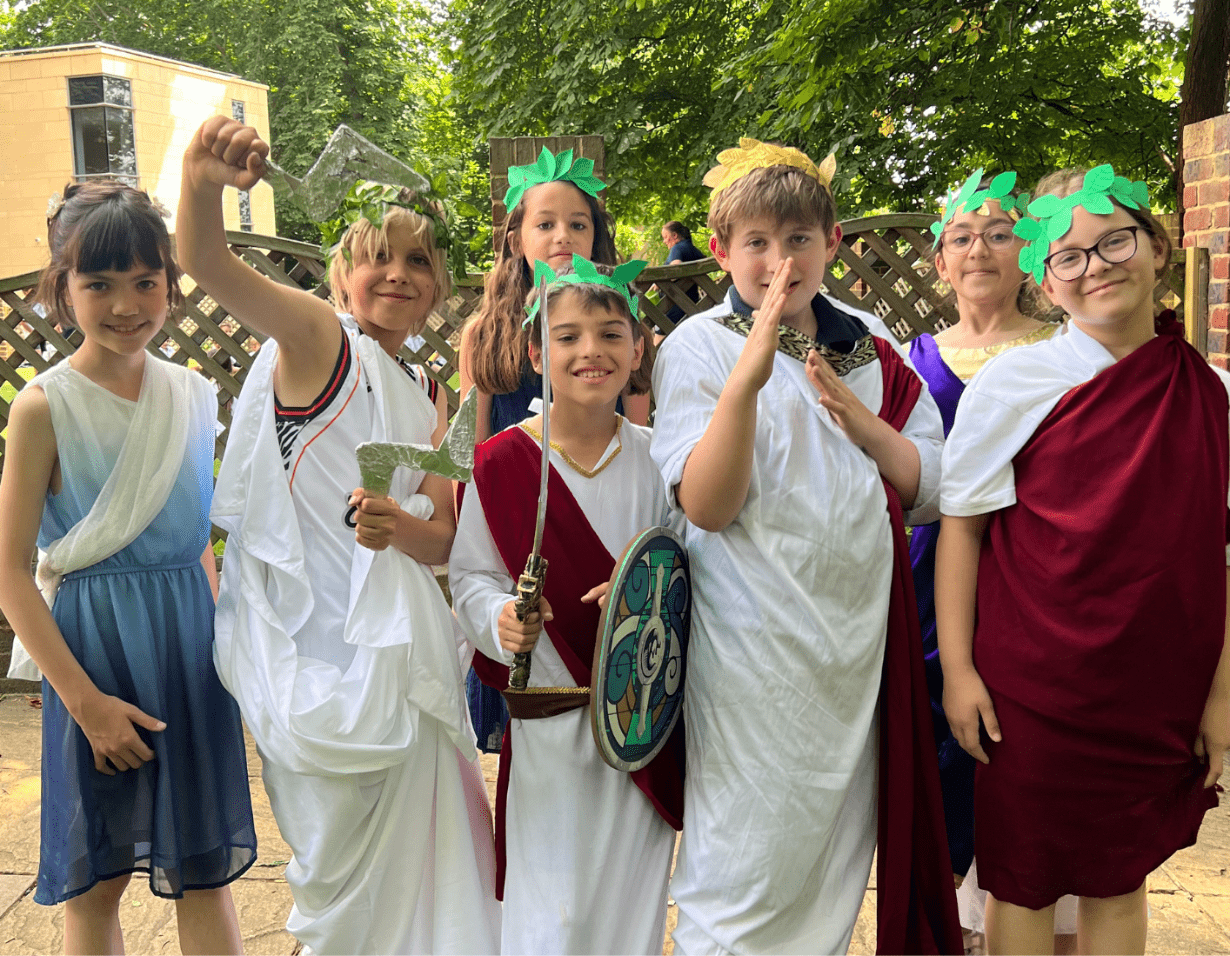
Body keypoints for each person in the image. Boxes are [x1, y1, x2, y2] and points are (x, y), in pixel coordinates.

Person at [176, 116, 501, 955]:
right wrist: (203, 177)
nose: (397, 275)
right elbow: (205, 262)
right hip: (314, 664)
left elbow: (445, 537)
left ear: (441, 283)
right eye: (377, 256)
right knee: (337, 892)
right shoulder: (320, 341)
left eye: (419, 260)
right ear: (341, 273)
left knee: (439, 884)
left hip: (408, 667)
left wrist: (400, 529)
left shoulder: (437, 394)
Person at [650, 137, 961, 954]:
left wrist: (860, 422)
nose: (777, 259)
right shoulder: (699, 348)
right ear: (720, 251)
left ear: (832, 245)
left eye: (798, 239)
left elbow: (927, 487)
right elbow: (706, 507)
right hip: (753, 655)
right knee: (745, 868)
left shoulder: (871, 345)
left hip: (856, 653)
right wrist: (749, 377)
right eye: (756, 241)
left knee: (831, 863)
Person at [936, 165, 1230, 956]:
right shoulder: (1015, 383)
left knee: (1119, 876)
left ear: (1158, 246)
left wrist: (1220, 697)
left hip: (1153, 683)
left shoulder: (1212, 393)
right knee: (1022, 878)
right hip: (1031, 683)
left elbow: (1221, 556)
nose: (1096, 266)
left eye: (1115, 242)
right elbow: (961, 529)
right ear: (1044, 279)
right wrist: (959, 673)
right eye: (1068, 256)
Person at [0, 181, 255, 955]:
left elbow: (201, 545)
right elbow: (11, 574)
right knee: (98, 876)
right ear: (61, 289)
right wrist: (84, 702)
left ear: (171, 289)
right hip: (94, 659)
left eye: (146, 281)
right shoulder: (44, 406)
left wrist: (230, 663)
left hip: (189, 654)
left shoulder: (195, 395)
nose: (125, 303)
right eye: (99, 283)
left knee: (205, 868)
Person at [450, 257, 683, 955]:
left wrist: (651, 587)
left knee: (631, 903)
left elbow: (690, 567)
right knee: (554, 915)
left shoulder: (662, 459)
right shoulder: (497, 463)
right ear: (534, 353)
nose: (591, 352)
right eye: (568, 336)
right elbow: (471, 578)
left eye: (612, 335)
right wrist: (501, 620)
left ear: (638, 350)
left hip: (641, 720)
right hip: (551, 727)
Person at [907, 170, 1073, 955]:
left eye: (999, 232)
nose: (979, 248)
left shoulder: (1065, 353)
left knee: (1025, 766)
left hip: (1033, 579)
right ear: (940, 262)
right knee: (943, 761)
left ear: (1027, 252)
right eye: (961, 237)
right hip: (927, 584)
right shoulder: (914, 359)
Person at [457, 146, 646, 756]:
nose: (562, 236)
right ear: (516, 238)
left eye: (578, 223)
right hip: (523, 523)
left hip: (607, 518)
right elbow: (473, 445)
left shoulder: (625, 327)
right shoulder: (484, 332)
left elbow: (645, 445)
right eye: (545, 223)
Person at [660, 220, 706, 323]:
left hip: (676, 306)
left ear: (675, 235)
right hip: (693, 304)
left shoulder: (677, 248)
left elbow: (676, 268)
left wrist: (659, 282)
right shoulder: (693, 249)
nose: (664, 241)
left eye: (665, 237)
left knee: (659, 338)